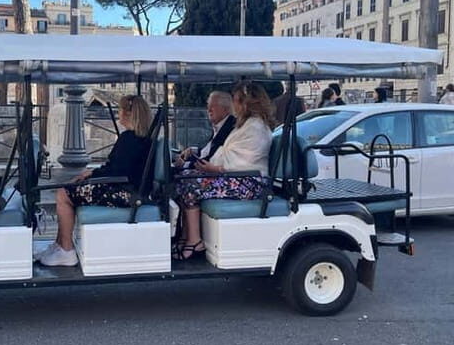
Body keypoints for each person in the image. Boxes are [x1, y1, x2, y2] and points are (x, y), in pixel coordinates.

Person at [37, 95, 153, 266]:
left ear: (128, 114)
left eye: (120, 110)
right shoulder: (138, 138)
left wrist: (91, 176)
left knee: (63, 194)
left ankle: (67, 251)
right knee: (68, 189)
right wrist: (91, 173)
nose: (118, 113)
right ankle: (59, 244)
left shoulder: (129, 139)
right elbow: (117, 167)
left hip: (127, 193)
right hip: (127, 188)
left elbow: (116, 171)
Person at [172, 81, 275, 260]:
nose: (233, 104)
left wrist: (215, 168)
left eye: (235, 100)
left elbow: (245, 161)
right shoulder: (247, 124)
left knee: (190, 185)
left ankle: (195, 242)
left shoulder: (255, 127)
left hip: (250, 182)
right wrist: (212, 167)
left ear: (246, 103)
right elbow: (230, 153)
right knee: (184, 178)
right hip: (240, 178)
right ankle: (187, 237)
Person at [174, 91, 235, 170]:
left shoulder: (230, 127)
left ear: (225, 109)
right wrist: (193, 150)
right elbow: (209, 151)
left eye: (213, 106)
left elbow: (210, 159)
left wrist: (185, 165)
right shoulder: (220, 125)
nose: (209, 110)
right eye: (208, 105)